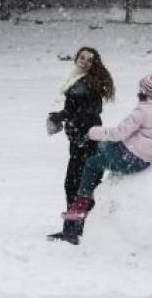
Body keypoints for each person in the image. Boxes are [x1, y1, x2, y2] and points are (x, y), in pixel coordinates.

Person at [59, 72, 152, 232]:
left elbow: (118, 133)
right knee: (100, 154)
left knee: (93, 159)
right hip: (143, 162)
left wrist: (92, 132)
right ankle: (90, 190)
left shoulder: (142, 111)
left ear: (143, 91)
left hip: (128, 158)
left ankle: (81, 204)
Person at [47, 47, 115, 244]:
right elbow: (78, 109)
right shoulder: (78, 79)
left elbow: (87, 111)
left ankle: (75, 229)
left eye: (89, 59)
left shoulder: (86, 83)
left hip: (85, 140)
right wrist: (63, 116)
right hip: (81, 139)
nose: (84, 61)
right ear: (76, 58)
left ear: (94, 64)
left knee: (76, 185)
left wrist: (64, 117)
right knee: (80, 185)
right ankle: (78, 227)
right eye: (82, 57)